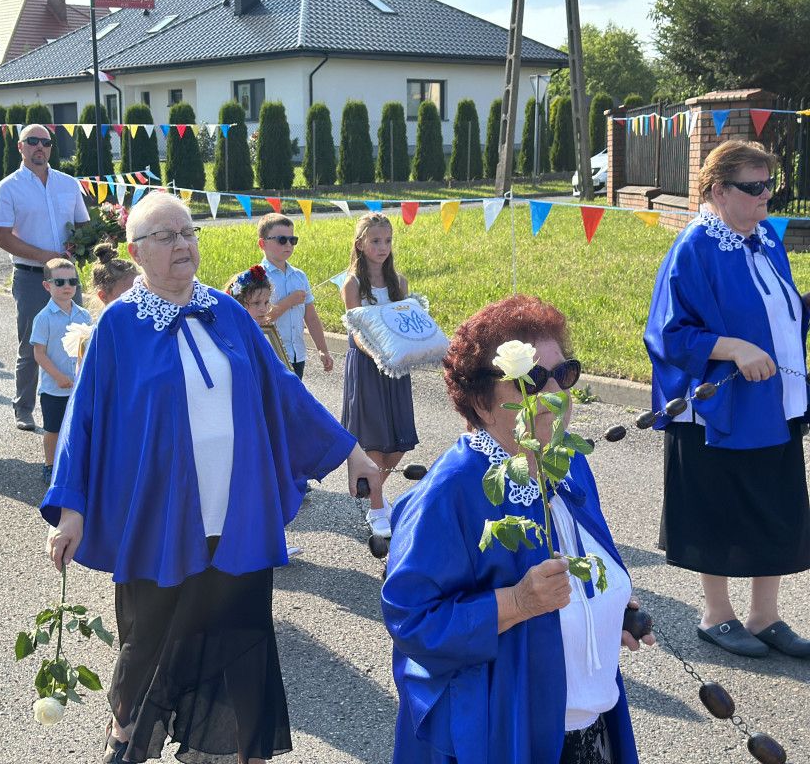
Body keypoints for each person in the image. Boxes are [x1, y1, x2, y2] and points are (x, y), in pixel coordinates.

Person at [43, 192, 383, 764]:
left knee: (239, 632)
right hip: (159, 516)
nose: (182, 244)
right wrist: (70, 508)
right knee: (149, 636)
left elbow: (281, 387)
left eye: (189, 232)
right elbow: (85, 418)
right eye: (166, 236)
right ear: (137, 251)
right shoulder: (118, 325)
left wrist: (349, 451)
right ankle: (127, 732)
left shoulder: (226, 311)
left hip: (237, 511)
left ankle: (229, 749)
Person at [383, 294, 652, 764]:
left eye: (563, 374)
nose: (553, 393)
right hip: (507, 734)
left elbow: (580, 557)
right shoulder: (453, 490)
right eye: (528, 380)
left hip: (590, 727)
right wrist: (516, 602)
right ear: (481, 402)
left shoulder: (566, 462)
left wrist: (607, 609)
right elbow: (413, 621)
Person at [645, 140, 810, 659]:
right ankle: (716, 614)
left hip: (774, 404)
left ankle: (765, 616)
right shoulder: (695, 246)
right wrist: (734, 347)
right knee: (718, 509)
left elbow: (778, 313)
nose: (766, 197)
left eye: (770, 187)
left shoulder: (767, 239)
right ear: (718, 190)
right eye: (754, 187)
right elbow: (668, 334)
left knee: (776, 507)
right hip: (718, 409)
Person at [0, 124, 89, 432]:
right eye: (32, 141)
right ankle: (23, 406)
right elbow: (1, 238)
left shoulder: (68, 183)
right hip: (31, 276)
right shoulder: (7, 187)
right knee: (32, 344)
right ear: (20, 147)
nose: (40, 147)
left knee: (79, 339)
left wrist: (101, 237)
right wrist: (43, 256)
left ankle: (81, 398)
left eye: (45, 142)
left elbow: (83, 226)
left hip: (68, 278)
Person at [339, 212, 418, 538]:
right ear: (360, 244)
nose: (382, 246)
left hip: (396, 367)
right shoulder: (353, 283)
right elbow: (357, 331)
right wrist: (378, 354)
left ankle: (372, 491)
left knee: (398, 441)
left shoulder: (400, 283)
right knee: (372, 437)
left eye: (387, 240)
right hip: (368, 365)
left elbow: (407, 323)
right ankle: (376, 507)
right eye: (375, 241)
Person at [226, 263, 304, 559]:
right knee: (246, 484)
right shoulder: (231, 335)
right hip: (241, 422)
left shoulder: (264, 332)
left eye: (265, 302)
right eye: (254, 303)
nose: (262, 309)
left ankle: (272, 539)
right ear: (237, 303)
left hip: (263, 416)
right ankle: (247, 543)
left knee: (267, 481)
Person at [31, 258, 92, 484]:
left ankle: (77, 465)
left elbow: (87, 349)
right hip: (54, 389)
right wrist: (57, 376)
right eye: (59, 282)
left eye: (72, 281)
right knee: (54, 429)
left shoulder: (84, 315)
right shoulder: (43, 318)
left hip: (79, 385)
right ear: (47, 286)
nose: (67, 286)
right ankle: (50, 465)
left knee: (81, 427)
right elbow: (39, 353)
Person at [258, 213, 333, 380]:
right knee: (273, 402)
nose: (288, 245)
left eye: (292, 240)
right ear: (263, 243)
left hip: (297, 354)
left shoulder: (300, 276)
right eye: (281, 240)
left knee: (293, 402)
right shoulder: (258, 277)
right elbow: (258, 320)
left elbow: (311, 318)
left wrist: (323, 349)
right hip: (270, 354)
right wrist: (287, 302)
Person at [89, 241, 139, 309]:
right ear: (103, 296)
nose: (137, 298)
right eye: (128, 295)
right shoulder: (105, 319)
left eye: (139, 290)